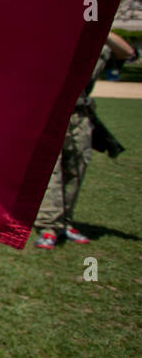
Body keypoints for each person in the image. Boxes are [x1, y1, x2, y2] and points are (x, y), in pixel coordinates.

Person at [34, 30, 138, 249]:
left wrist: (102, 28)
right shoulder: (50, 39)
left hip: (80, 117)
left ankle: (66, 222)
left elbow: (127, 53)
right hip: (49, 114)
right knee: (51, 172)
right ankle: (48, 226)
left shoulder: (97, 45)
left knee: (76, 168)